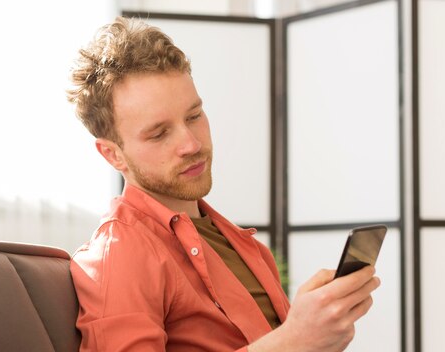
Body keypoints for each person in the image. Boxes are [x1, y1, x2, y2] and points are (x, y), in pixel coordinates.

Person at [67, 16, 380, 352]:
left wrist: (318, 337)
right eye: (159, 133)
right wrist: (293, 340)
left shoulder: (245, 246)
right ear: (113, 155)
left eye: (194, 116)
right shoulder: (121, 252)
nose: (191, 143)